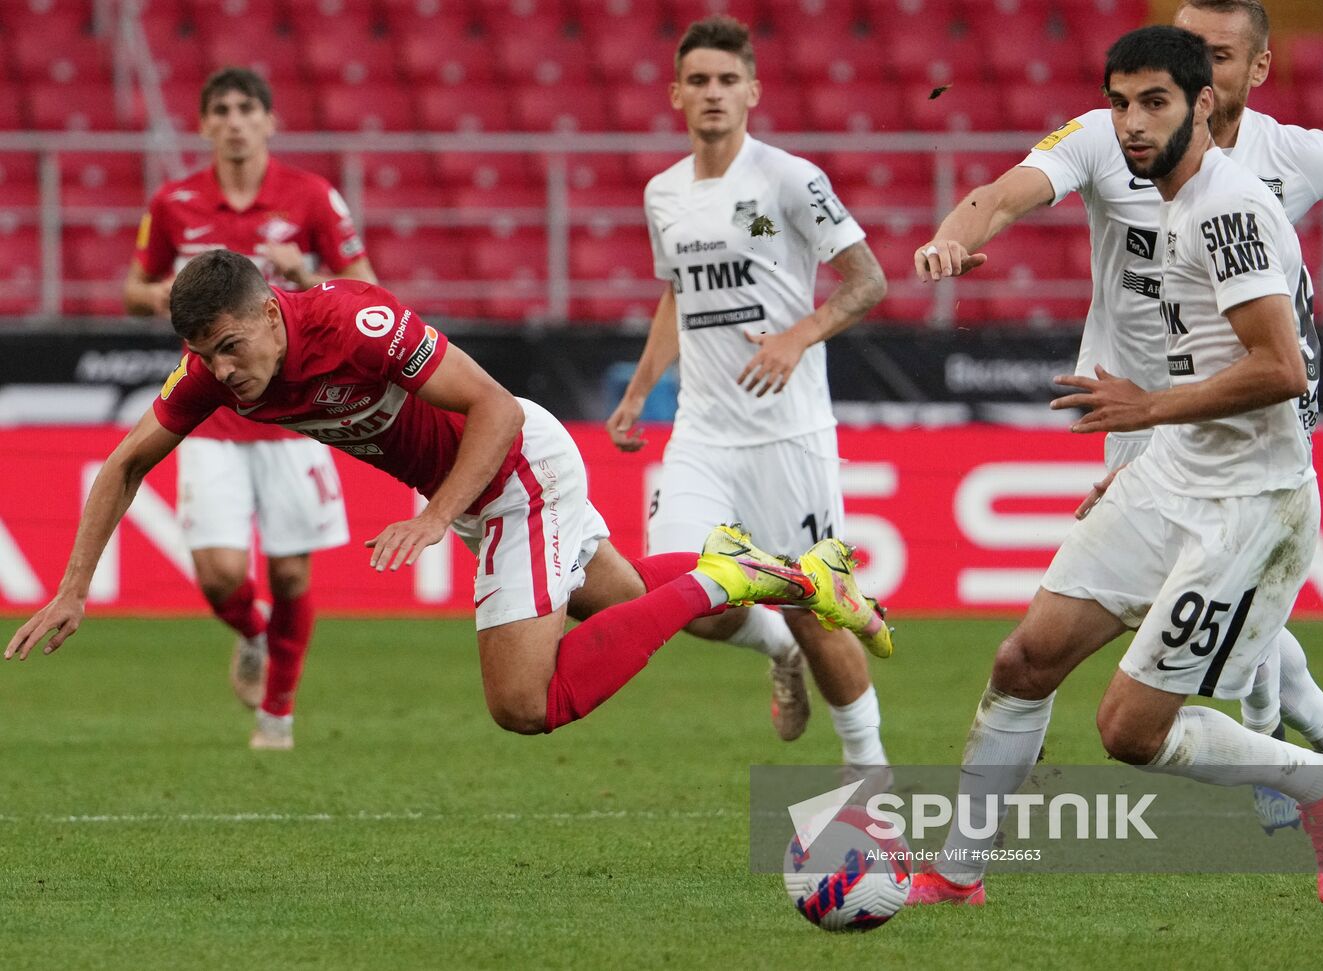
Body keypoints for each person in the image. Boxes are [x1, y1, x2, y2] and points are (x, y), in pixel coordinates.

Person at [7, 250, 889, 749]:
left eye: (234, 346)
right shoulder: (216, 372)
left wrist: (436, 515)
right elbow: (125, 463)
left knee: (523, 701)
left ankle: (734, 576)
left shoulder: (357, 322)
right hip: (477, 490)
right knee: (647, 608)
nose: (226, 372)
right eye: (210, 356)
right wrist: (74, 586)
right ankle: (777, 591)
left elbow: (494, 408)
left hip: (513, 470)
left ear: (273, 315)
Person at [913, 0, 1323, 844]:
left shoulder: (1277, 167)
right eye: (1131, 92)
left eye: (1210, 56)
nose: (1186, 69)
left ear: (1244, 75)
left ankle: (1302, 761)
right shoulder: (1122, 143)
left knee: (1193, 658)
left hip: (1234, 433)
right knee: (1048, 655)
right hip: (1141, 421)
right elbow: (999, 194)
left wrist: (1160, 410)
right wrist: (955, 233)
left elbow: (1282, 356)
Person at [604, 15, 894, 776]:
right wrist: (640, 392)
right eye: (698, 80)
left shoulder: (790, 179)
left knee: (815, 612)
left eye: (727, 80)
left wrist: (798, 336)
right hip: (701, 435)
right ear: (675, 94)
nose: (713, 93)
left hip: (787, 435)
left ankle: (873, 778)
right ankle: (773, 646)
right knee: (663, 585)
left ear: (753, 91)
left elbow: (868, 280)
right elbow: (677, 296)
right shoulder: (662, 192)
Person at [123, 67, 378, 749]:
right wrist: (171, 297)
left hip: (294, 409)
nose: (234, 120)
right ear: (204, 124)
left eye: (247, 109)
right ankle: (254, 633)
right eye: (221, 110)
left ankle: (278, 712)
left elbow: (367, 286)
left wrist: (300, 272)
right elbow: (134, 286)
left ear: (270, 121)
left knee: (293, 570)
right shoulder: (174, 201)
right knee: (219, 574)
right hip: (212, 410)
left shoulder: (312, 196)